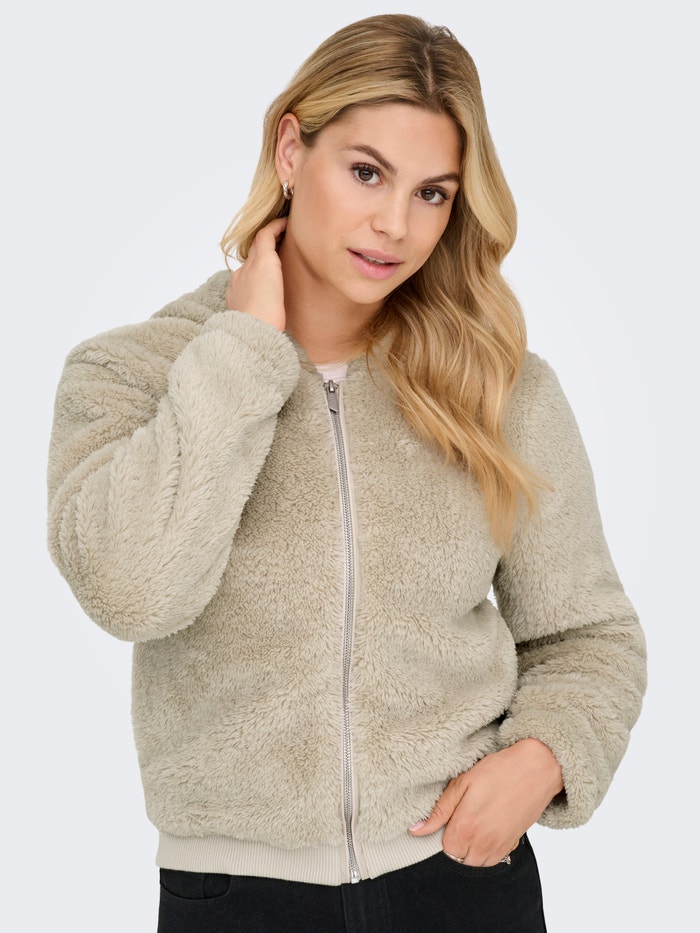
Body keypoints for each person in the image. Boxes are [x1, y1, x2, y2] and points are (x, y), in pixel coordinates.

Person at [47, 13, 646, 933]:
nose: (395, 224)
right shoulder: (131, 373)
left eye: (432, 193)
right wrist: (243, 351)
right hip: (235, 900)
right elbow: (132, 590)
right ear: (292, 148)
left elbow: (589, 635)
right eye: (367, 172)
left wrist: (544, 756)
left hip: (460, 880)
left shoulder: (499, 388)